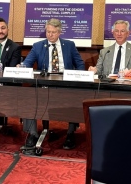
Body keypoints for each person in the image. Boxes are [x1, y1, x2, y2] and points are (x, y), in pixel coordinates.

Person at [21, 18, 85, 150]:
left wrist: (79, 77)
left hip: (65, 83)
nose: (50, 35)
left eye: (54, 32)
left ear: (60, 32)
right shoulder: (38, 46)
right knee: (27, 97)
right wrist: (22, 67)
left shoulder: (69, 45)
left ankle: (70, 133)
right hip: (44, 82)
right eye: (48, 32)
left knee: (75, 97)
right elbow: (27, 63)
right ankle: (32, 134)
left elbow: (80, 64)